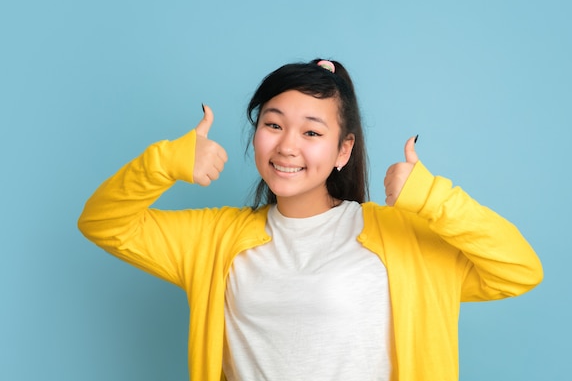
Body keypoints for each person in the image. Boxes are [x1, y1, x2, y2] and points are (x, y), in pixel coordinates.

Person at [78, 58, 543, 381]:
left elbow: (518, 269)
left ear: (344, 150)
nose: (287, 146)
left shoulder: (398, 240)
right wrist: (164, 163)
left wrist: (431, 197)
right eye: (273, 124)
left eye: (312, 132)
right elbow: (103, 223)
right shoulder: (213, 239)